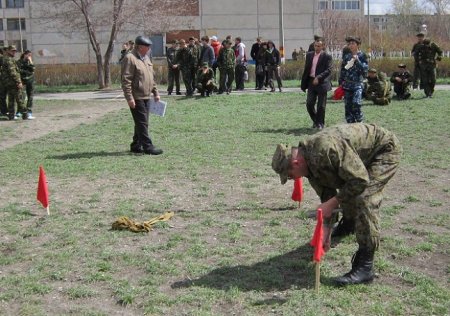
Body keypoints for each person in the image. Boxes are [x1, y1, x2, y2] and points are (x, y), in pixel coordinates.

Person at [272, 123, 402, 286]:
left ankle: (365, 266)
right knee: (345, 184)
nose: (292, 179)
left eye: (290, 176)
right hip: (360, 156)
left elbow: (359, 180)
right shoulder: (309, 166)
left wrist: (332, 203)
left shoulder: (326, 149)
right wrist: (326, 230)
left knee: (364, 197)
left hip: (383, 149)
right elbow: (327, 196)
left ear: (296, 163)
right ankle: (349, 223)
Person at [121, 35, 163, 155]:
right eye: (147, 46)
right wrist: (129, 98)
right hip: (137, 96)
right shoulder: (130, 58)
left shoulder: (146, 58)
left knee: (141, 122)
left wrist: (155, 92)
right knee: (142, 122)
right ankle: (148, 147)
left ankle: (136, 145)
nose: (149, 48)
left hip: (146, 96)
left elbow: (151, 78)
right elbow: (126, 80)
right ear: (140, 47)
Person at [300, 39, 333, 129]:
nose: (317, 47)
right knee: (309, 103)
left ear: (322, 46)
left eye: (319, 46)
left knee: (321, 106)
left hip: (322, 83)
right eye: (315, 45)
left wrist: (318, 77)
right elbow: (307, 69)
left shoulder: (327, 56)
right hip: (311, 82)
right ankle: (316, 120)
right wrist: (304, 82)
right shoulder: (309, 55)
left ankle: (320, 124)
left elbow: (329, 70)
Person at [339, 36, 368, 123]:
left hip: (357, 84)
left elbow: (365, 71)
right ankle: (350, 123)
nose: (351, 45)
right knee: (348, 106)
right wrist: (341, 81)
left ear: (358, 45)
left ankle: (359, 121)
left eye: (353, 43)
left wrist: (357, 61)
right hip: (347, 85)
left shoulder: (362, 56)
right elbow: (343, 69)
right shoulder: (347, 56)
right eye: (349, 44)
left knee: (356, 103)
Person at [2, 45, 28, 120]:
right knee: (19, 99)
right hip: (13, 83)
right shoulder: (9, 60)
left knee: (11, 100)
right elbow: (12, 72)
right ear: (8, 51)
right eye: (12, 51)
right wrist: (19, 82)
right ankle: (25, 114)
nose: (14, 52)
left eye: (15, 51)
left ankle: (11, 116)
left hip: (8, 83)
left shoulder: (7, 58)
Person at [17, 50, 36, 119]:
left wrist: (30, 61)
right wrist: (27, 71)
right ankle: (19, 112)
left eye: (30, 55)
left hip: (30, 81)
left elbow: (33, 69)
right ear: (24, 54)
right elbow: (18, 71)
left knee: (30, 97)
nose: (29, 56)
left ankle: (29, 113)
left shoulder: (30, 62)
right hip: (22, 81)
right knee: (21, 97)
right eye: (28, 55)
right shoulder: (19, 62)